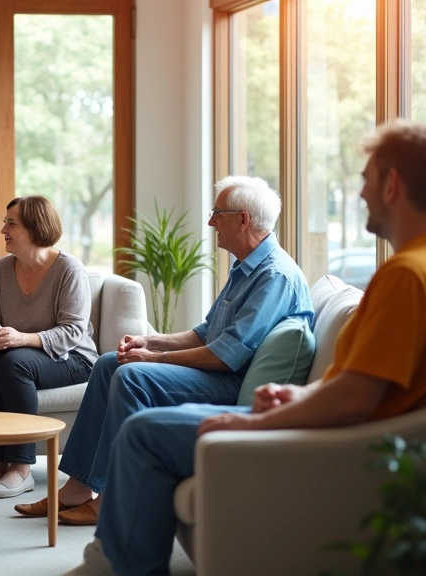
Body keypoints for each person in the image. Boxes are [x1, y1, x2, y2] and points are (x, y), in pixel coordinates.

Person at [68, 120, 426, 576]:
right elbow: (365, 387)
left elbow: (356, 398)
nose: (359, 195)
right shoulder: (408, 270)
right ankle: (111, 543)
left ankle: (113, 562)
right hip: (330, 426)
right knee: (129, 395)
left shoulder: (403, 277)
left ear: (392, 184)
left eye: (366, 179)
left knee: (143, 429)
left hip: (328, 441)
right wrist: (300, 395)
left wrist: (264, 419)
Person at [16, 175, 314, 525]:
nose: (210, 222)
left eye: (218, 213)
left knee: (132, 375)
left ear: (244, 219)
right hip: (218, 370)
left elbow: (225, 356)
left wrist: (153, 359)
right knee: (111, 363)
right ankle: (78, 488)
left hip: (232, 381)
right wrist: (148, 341)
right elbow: (206, 334)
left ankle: (111, 499)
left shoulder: (274, 276)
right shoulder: (246, 268)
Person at [0, 196, 98, 499]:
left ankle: (22, 467)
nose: (3, 231)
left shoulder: (69, 270)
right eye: (4, 223)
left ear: (36, 228)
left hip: (73, 357)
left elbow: (73, 331)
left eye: (11, 224)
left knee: (14, 363)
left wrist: (21, 338)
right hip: (18, 354)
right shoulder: (0, 270)